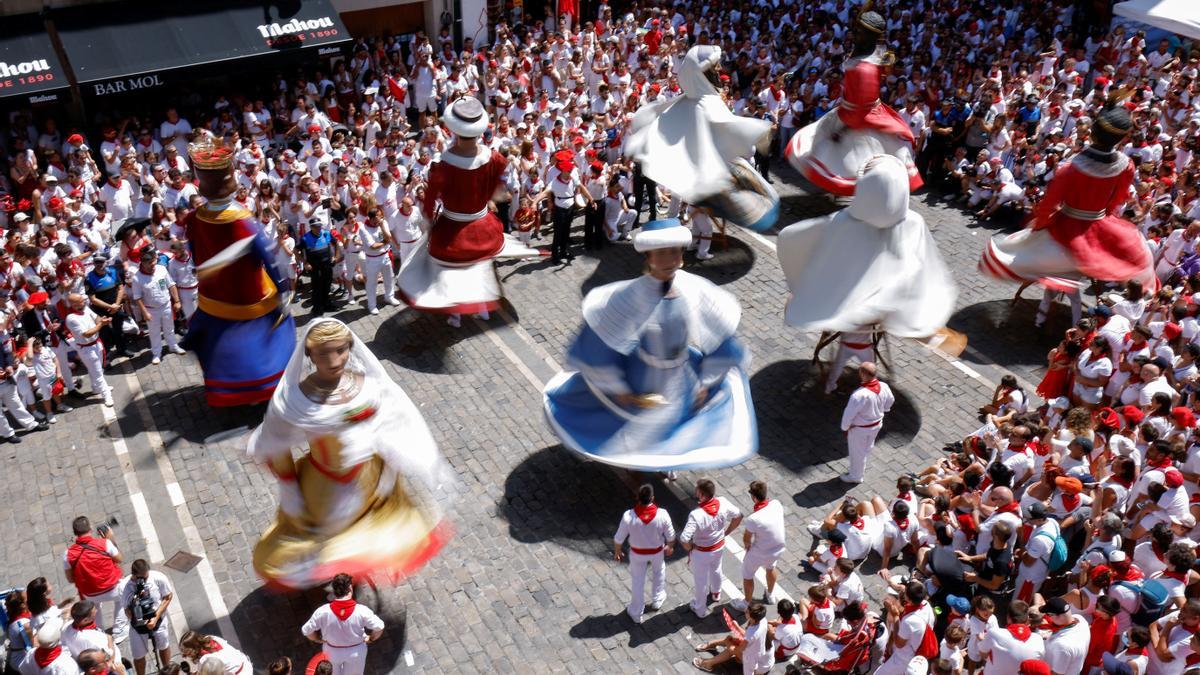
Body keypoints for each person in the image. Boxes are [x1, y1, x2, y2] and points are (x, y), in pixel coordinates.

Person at [246, 319, 451, 589]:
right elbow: (276, 443)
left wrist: (390, 467)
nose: (334, 360)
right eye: (324, 353)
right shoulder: (294, 400)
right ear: (310, 355)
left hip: (369, 479)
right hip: (322, 487)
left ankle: (348, 576)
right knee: (329, 542)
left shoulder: (367, 386)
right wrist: (290, 490)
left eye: (341, 350)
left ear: (350, 348)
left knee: (370, 536)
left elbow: (387, 425)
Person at [543, 218, 757, 470]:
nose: (669, 260)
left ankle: (664, 466)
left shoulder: (694, 289)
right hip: (641, 376)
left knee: (673, 431)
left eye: (675, 252)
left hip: (681, 377)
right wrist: (618, 386)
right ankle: (639, 469)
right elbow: (598, 345)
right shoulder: (630, 296)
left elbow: (722, 339)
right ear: (649, 256)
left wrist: (707, 381)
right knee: (639, 432)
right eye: (662, 253)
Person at [980, 103, 1154, 299]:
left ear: (1092, 132)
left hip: (1067, 228)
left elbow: (1048, 206)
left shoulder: (1070, 169)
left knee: (1011, 252)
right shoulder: (1127, 165)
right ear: (1122, 138)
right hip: (1102, 225)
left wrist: (1038, 227)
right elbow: (1115, 202)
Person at [397, 97, 541, 328]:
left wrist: (430, 224)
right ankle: (483, 309)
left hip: (454, 229)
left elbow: (429, 201)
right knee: (479, 269)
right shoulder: (493, 157)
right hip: (483, 225)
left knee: (449, 273)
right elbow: (497, 186)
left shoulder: (443, 164)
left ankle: (455, 314)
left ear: (453, 130)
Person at [777, 154, 956, 338]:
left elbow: (793, 241)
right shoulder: (915, 222)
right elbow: (922, 265)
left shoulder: (842, 222)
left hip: (847, 303)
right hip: (887, 308)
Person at [181, 138, 295, 406]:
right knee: (276, 334)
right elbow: (269, 258)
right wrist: (283, 290)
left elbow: (197, 256)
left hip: (215, 297)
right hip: (249, 296)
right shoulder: (244, 221)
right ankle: (266, 388)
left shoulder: (194, 217)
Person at [623, 45, 778, 233]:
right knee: (691, 200)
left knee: (692, 201)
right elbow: (726, 125)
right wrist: (757, 129)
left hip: (705, 163)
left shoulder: (702, 98)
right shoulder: (701, 101)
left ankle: (690, 229)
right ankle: (686, 229)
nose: (719, 69)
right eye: (714, 66)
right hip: (701, 165)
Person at [785, 11, 921, 195]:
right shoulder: (870, 54)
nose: (856, 33)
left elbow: (861, 110)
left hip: (856, 118)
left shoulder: (865, 67)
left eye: (861, 31)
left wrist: (842, 129)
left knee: (847, 161)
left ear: (870, 36)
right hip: (851, 110)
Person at [678, 478, 743, 618]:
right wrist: (727, 532)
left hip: (701, 552)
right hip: (718, 546)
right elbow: (738, 516)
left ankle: (700, 609)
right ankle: (716, 593)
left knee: (700, 580)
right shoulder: (723, 502)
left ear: (701, 494)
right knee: (716, 568)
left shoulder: (696, 515)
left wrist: (689, 548)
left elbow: (684, 538)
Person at [612, 484, 674, 624]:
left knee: (637, 580)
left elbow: (618, 538)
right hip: (657, 552)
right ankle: (657, 599)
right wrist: (670, 546)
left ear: (637, 497)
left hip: (637, 554)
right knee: (659, 572)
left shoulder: (628, 516)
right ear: (652, 498)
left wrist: (617, 551)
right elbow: (671, 536)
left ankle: (636, 612)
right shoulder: (662, 514)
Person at [301, 573, 384, 675]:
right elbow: (379, 626)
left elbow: (306, 630)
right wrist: (370, 638)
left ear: (334, 591)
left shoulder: (323, 612)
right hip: (356, 652)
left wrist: (317, 639)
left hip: (331, 651)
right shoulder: (362, 611)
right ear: (350, 588)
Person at [63, 517, 125, 642]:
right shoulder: (104, 543)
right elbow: (119, 559)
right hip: (113, 588)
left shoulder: (68, 554)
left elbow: (70, 579)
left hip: (90, 594)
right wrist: (111, 540)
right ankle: (120, 631)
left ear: (75, 533)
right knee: (123, 598)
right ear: (90, 528)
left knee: (94, 608)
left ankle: (99, 633)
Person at [732, 481, 784, 612]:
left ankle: (746, 602)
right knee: (771, 568)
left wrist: (747, 546)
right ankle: (771, 594)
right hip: (777, 548)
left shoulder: (753, 518)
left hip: (760, 552)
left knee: (747, 574)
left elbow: (747, 538)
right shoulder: (776, 504)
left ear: (754, 497)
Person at [839, 362, 894, 483]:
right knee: (867, 447)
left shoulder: (859, 395)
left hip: (860, 429)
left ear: (863, 374)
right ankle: (861, 467)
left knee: (856, 452)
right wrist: (884, 409)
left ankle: (856, 476)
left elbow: (848, 414)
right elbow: (890, 400)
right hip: (877, 424)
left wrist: (845, 427)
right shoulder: (884, 386)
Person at [129, 249, 183, 365]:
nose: (153, 266)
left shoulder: (161, 269)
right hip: (151, 310)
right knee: (154, 332)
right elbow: (137, 297)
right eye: (150, 264)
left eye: (154, 263)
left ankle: (173, 346)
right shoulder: (137, 278)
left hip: (166, 305)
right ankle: (156, 353)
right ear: (143, 263)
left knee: (169, 327)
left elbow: (171, 285)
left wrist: (177, 301)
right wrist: (144, 312)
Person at [121, 559, 172, 675]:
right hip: (138, 626)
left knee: (164, 646)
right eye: (141, 578)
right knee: (138, 655)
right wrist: (137, 619)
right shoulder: (125, 587)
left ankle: (168, 671)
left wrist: (156, 616)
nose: (144, 580)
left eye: (146, 577)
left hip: (158, 619)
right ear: (133, 575)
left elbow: (168, 596)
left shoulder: (158, 578)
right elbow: (126, 609)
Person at [691, 601, 772, 673]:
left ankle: (707, 663)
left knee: (730, 646)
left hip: (754, 661)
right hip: (758, 654)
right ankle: (711, 648)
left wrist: (729, 645)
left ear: (753, 618)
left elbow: (740, 649)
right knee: (731, 640)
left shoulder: (752, 633)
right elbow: (750, 637)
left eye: (747, 612)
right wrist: (737, 627)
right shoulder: (762, 621)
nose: (745, 611)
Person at [62, 294, 113, 408]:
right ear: (74, 304)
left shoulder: (86, 308)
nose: (84, 301)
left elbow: (96, 318)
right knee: (97, 372)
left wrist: (103, 319)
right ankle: (106, 394)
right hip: (86, 349)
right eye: (81, 301)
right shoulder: (71, 318)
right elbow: (86, 334)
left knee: (97, 368)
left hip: (96, 344)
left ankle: (96, 388)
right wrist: (101, 324)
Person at [83, 254, 131, 359]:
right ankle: (106, 357)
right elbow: (93, 299)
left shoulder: (113, 272)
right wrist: (111, 306)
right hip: (100, 311)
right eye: (97, 262)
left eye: (102, 262)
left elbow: (121, 288)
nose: (99, 264)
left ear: (106, 262)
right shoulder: (89, 278)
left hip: (115, 307)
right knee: (104, 334)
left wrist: (116, 305)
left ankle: (122, 349)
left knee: (119, 330)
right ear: (93, 263)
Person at [60, 602, 124, 673]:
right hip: (111, 667)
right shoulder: (93, 638)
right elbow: (108, 655)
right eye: (94, 611)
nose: (96, 611)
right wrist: (110, 639)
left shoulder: (66, 627)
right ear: (85, 620)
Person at [357, 208, 399, 315]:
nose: (380, 219)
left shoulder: (382, 222)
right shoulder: (363, 229)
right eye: (377, 218)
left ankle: (389, 297)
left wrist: (381, 226)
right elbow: (373, 246)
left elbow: (389, 237)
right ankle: (372, 305)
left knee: (389, 278)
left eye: (381, 216)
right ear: (370, 218)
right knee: (372, 283)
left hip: (385, 256)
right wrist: (385, 242)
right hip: (372, 259)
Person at [299, 218, 336, 316]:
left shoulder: (326, 233)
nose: (318, 228)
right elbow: (296, 251)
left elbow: (336, 243)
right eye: (316, 226)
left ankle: (326, 304)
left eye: (319, 225)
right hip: (315, 268)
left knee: (327, 286)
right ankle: (317, 309)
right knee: (317, 289)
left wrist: (335, 257)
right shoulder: (305, 238)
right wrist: (305, 263)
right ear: (311, 227)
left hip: (327, 266)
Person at [178, 632, 252, 675]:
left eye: (187, 652)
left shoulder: (204, 659)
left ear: (194, 647)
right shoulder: (211, 638)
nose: (185, 655)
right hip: (245, 663)